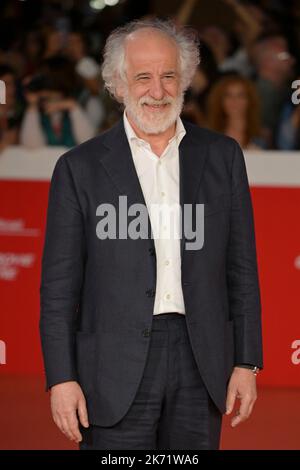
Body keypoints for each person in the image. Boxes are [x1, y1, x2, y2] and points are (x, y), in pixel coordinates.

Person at [40, 19, 263, 451]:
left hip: (201, 361)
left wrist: (246, 361)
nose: (157, 91)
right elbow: (58, 288)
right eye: (143, 76)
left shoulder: (223, 157)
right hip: (111, 365)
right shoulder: (79, 168)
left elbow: (242, 270)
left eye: (168, 76)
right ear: (119, 84)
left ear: (185, 79)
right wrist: (62, 378)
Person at [207, 74, 265, 150]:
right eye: (228, 95)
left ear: (250, 101)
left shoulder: (260, 137)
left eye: (240, 96)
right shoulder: (209, 136)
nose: (234, 101)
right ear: (220, 101)